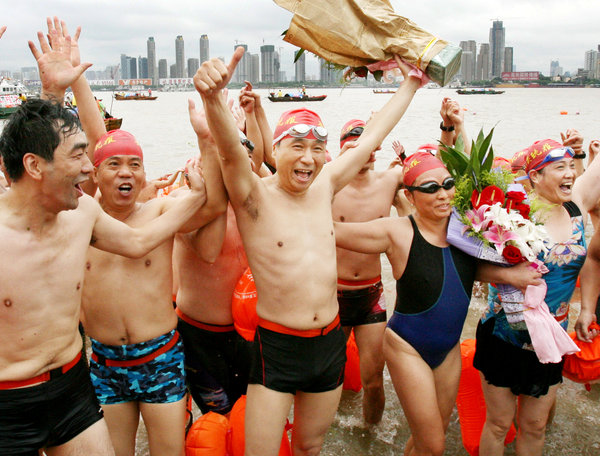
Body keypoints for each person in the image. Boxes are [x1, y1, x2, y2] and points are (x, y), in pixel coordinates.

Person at [195, 46, 422, 456]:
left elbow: (373, 136)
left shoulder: (324, 188)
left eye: (317, 149)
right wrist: (212, 99)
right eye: (296, 146)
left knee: (310, 447)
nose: (308, 158)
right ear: (274, 150)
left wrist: (412, 82)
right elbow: (230, 151)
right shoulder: (253, 199)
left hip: (329, 343)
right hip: (278, 347)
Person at [0, 24, 206, 456]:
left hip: (76, 384)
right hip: (11, 398)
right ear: (35, 167)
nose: (90, 169)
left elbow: (135, 239)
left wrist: (198, 193)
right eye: (80, 160)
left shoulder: (82, 212)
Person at [334, 150, 541, 456]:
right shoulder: (397, 232)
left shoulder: (465, 227)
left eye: (447, 184)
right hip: (407, 345)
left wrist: (511, 275)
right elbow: (332, 232)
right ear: (410, 196)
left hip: (448, 348)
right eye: (431, 188)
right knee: (434, 445)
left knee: (430, 435)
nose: (443, 194)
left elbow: (466, 269)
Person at [473, 137, 600, 456]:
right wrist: (508, 275)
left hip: (551, 337)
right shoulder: (510, 216)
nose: (570, 173)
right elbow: (470, 268)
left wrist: (587, 309)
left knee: (535, 426)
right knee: (500, 424)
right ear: (535, 177)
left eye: (572, 167)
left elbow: (591, 260)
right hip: (505, 336)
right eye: (560, 167)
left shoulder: (574, 207)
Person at [174, 88, 259, 418]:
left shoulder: (256, 203)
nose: (235, 157)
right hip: (200, 337)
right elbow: (208, 252)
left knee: (252, 420)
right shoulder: (186, 201)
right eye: (226, 149)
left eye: (241, 149)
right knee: (217, 423)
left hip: (249, 333)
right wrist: (208, 137)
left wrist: (251, 120)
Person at [332, 118, 407, 424]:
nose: (363, 150)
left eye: (367, 144)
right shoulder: (328, 183)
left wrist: (449, 128)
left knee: (374, 379)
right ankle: (325, 432)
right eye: (353, 143)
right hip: (331, 295)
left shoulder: (389, 181)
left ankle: (369, 436)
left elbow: (435, 172)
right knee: (325, 376)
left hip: (372, 295)